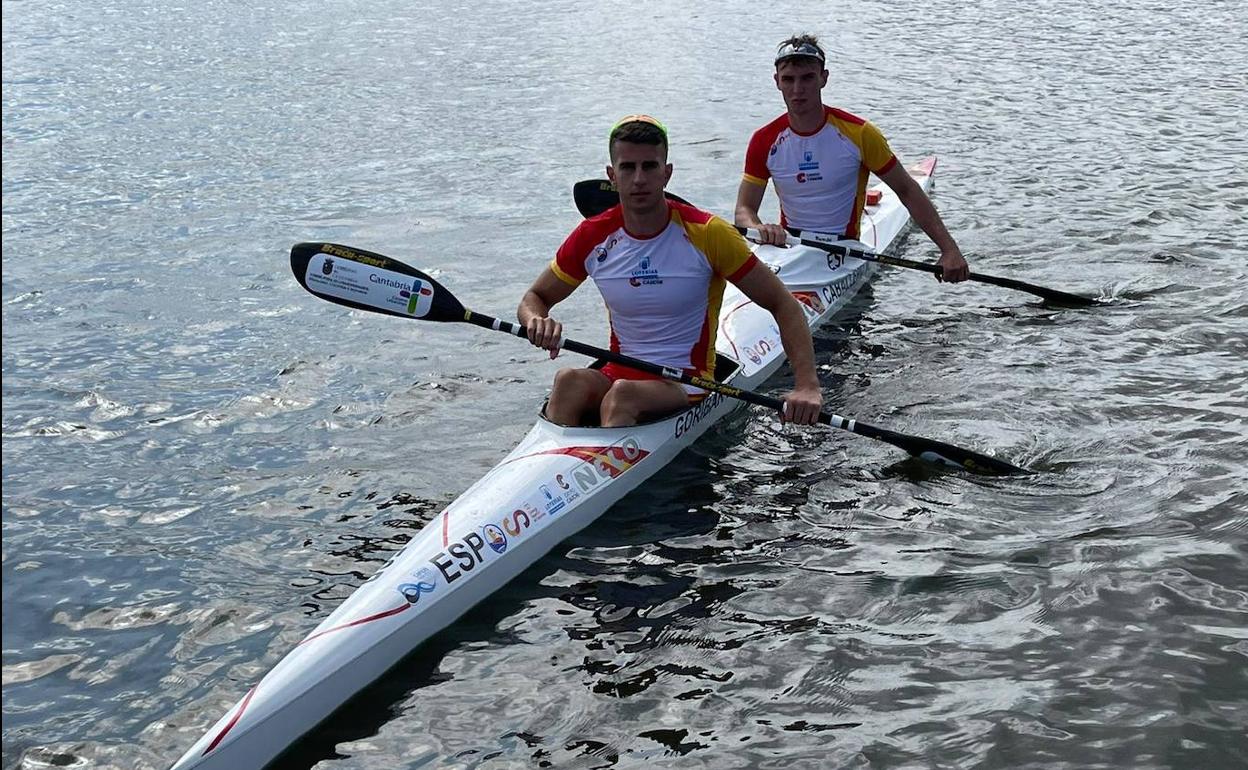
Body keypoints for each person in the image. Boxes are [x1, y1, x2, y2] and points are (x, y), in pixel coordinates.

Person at [518, 115, 823, 428]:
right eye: (628, 167)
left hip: (687, 382)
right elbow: (535, 297)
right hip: (619, 371)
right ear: (612, 176)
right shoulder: (591, 236)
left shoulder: (708, 234)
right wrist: (536, 321)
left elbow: (783, 304)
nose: (638, 179)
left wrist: (807, 387)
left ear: (667, 173)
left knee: (623, 397)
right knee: (568, 380)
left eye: (649, 166)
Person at [735, 34, 971, 283]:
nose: (797, 89)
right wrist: (759, 229)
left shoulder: (859, 134)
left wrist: (949, 250)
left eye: (807, 78)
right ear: (777, 82)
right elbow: (744, 209)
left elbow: (907, 190)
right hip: (788, 249)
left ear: (824, 78)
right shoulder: (764, 139)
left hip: (844, 252)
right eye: (788, 79)